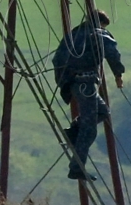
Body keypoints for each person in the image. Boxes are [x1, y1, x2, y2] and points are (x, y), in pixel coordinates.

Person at [52, 10, 125, 180]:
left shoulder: (73, 35)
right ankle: (77, 167)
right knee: (90, 128)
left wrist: (65, 84)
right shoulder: (99, 33)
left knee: (103, 112)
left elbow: (57, 60)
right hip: (87, 83)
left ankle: (73, 131)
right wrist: (118, 74)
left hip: (73, 83)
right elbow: (113, 53)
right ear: (100, 23)